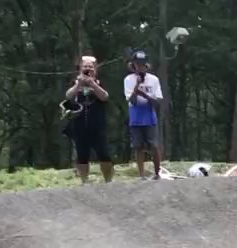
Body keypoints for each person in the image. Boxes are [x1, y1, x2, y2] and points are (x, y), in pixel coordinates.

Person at [63, 56, 113, 183]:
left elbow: (105, 97)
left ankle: (108, 181)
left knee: (104, 154)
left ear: (95, 69)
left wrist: (92, 84)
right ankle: (84, 181)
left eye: (91, 66)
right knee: (82, 155)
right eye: (85, 66)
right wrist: (79, 84)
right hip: (79, 123)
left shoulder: (100, 82)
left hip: (98, 124)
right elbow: (68, 96)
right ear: (80, 69)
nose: (88, 68)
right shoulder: (75, 82)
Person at [123, 49, 164, 180]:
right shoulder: (128, 79)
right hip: (135, 114)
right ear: (133, 65)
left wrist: (145, 95)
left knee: (154, 144)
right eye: (137, 64)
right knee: (138, 146)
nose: (139, 66)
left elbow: (158, 102)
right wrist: (137, 86)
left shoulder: (154, 80)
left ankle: (157, 173)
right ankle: (141, 175)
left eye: (142, 64)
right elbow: (132, 101)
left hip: (149, 114)